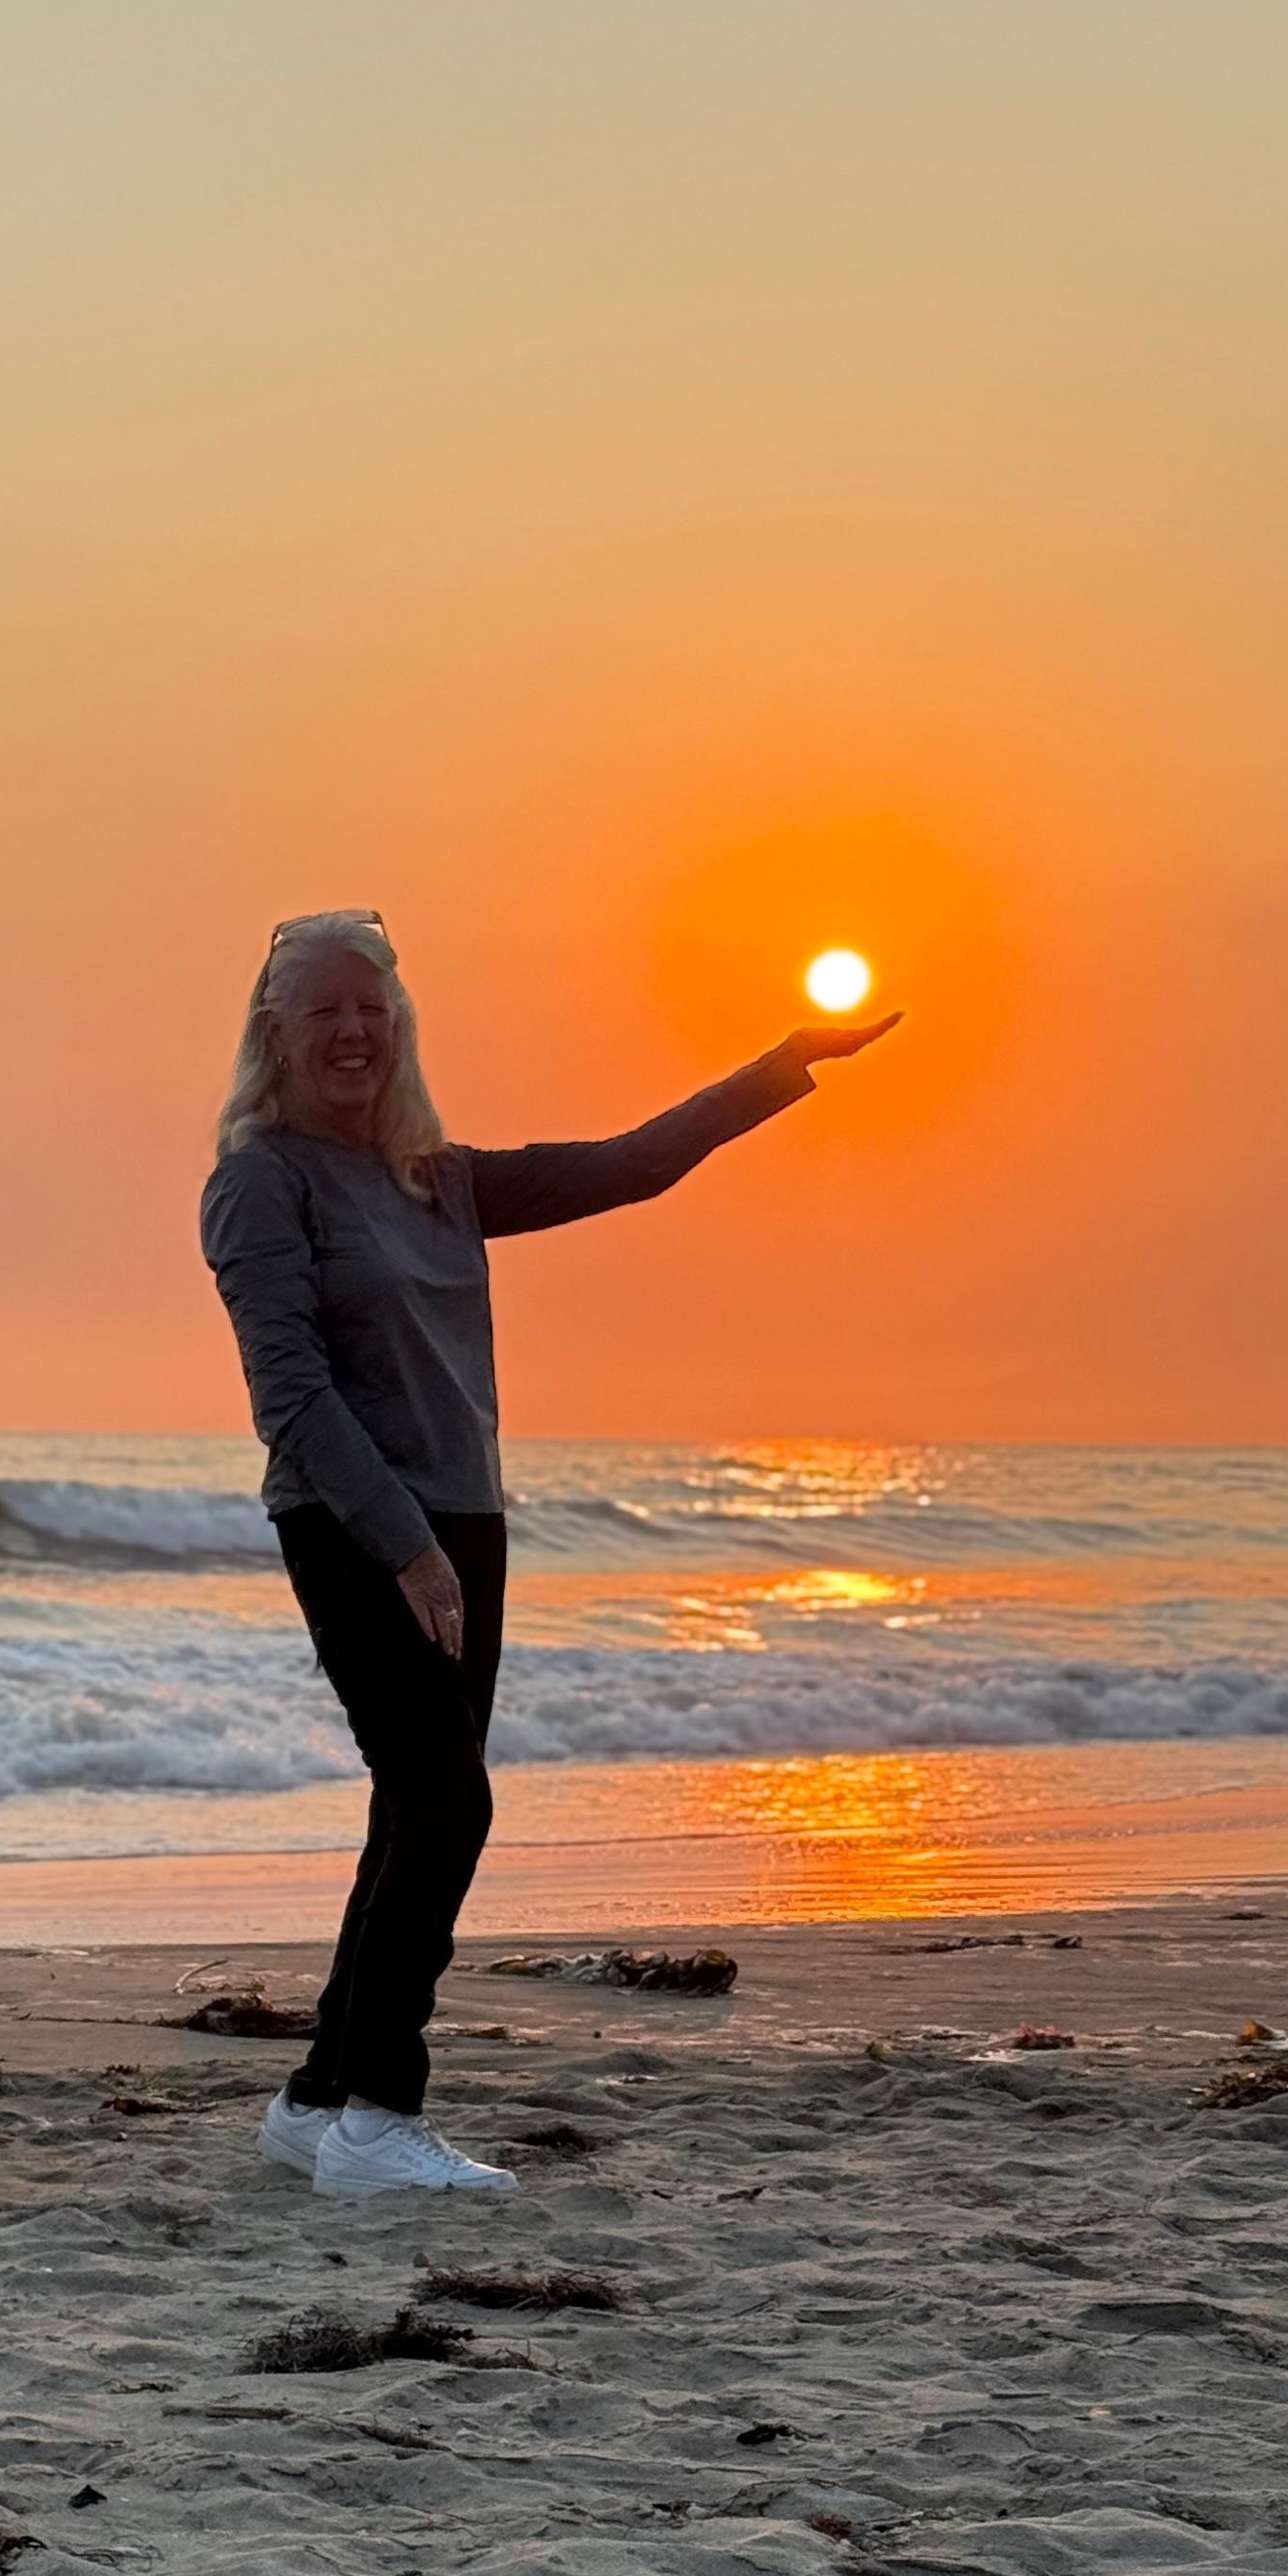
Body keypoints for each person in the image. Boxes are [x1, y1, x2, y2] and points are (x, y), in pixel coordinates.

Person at [201, 909, 896, 2199]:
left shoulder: (439, 1179)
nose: (353, 1032)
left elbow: (631, 1165)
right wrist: (406, 1549)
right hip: (355, 1522)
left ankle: (319, 2102)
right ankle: (379, 2118)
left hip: (467, 1518)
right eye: (325, 1011)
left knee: (414, 1804)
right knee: (448, 1805)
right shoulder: (261, 1181)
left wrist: (781, 1064)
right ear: (276, 1034)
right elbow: (291, 1395)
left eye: (373, 1008)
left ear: (400, 1025)